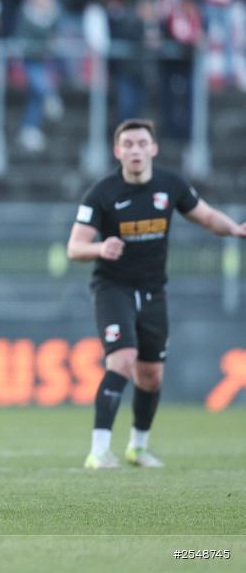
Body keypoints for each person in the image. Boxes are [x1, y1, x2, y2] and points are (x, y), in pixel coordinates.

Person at [67, 118, 246, 469]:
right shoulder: (101, 193)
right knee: (122, 358)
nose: (135, 150)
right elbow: (75, 247)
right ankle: (98, 451)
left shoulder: (170, 185)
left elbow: (206, 217)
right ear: (117, 151)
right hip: (113, 288)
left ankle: (138, 447)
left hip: (152, 291)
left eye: (141, 143)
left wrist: (235, 229)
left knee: (151, 376)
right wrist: (100, 248)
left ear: (153, 149)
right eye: (128, 144)